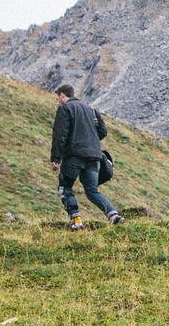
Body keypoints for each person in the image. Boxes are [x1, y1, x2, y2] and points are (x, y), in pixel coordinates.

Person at [50, 83, 121, 227]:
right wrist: (90, 143)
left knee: (65, 188)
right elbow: (103, 131)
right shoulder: (92, 110)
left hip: (74, 156)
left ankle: (77, 223)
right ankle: (113, 216)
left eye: (58, 97)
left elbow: (60, 135)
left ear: (62, 95)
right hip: (95, 157)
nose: (57, 100)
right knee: (92, 191)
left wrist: (55, 159)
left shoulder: (65, 108)